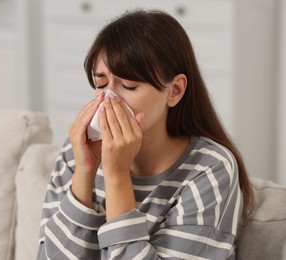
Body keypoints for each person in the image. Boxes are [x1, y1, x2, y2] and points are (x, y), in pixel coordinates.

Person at [36, 9, 253, 259]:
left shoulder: (210, 169)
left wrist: (117, 176)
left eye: (129, 85)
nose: (110, 98)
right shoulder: (78, 153)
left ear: (175, 91)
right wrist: (84, 172)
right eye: (101, 83)